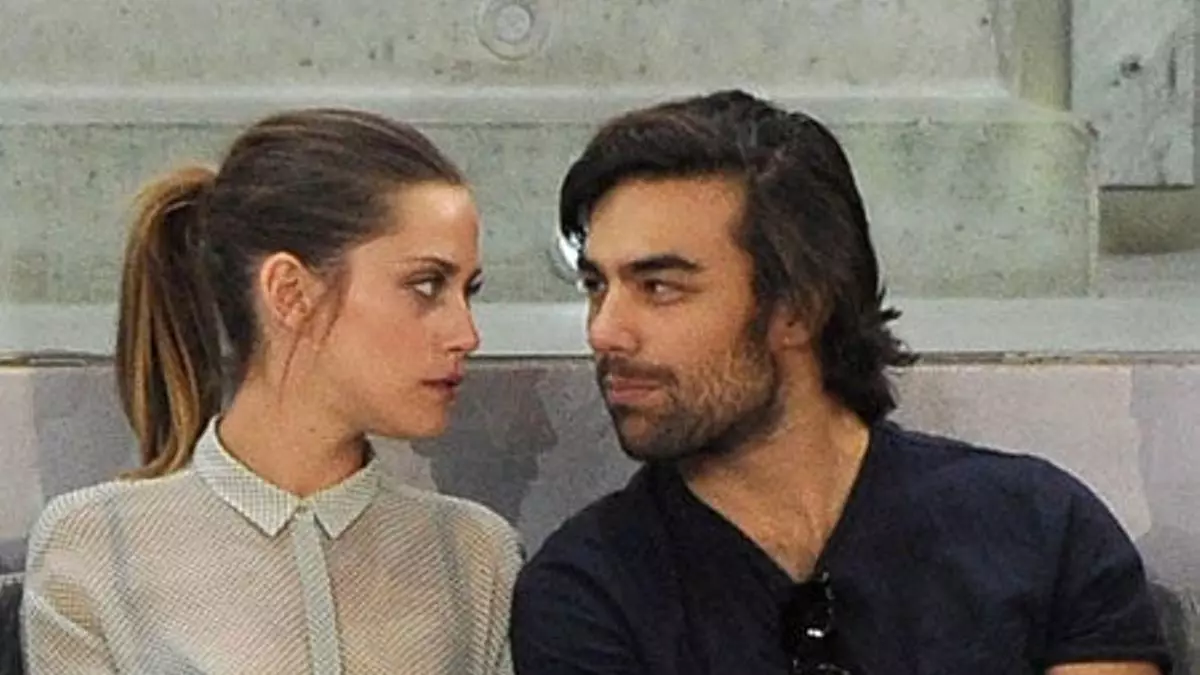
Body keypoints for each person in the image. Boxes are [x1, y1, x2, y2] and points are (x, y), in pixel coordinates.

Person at [509, 90, 1173, 674]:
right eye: (596, 285)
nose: (605, 330)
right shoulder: (587, 591)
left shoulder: (1038, 529)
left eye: (659, 287)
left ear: (798, 308)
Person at [21, 108, 521, 674]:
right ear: (289, 292)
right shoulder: (96, 545)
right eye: (426, 285)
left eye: (468, 291)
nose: (465, 334)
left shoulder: (473, 554)